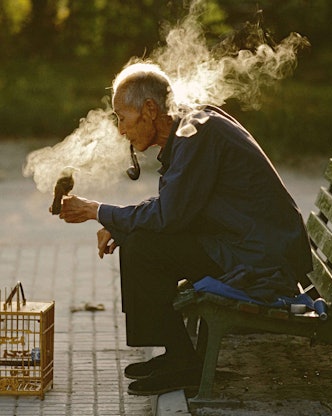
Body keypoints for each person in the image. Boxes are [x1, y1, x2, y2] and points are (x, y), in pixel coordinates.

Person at [59, 61, 313, 396]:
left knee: (142, 246)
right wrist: (117, 222)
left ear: (150, 109)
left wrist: (99, 212)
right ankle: (176, 354)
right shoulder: (192, 128)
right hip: (253, 245)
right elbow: (178, 207)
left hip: (260, 260)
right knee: (137, 236)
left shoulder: (195, 135)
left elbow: (169, 216)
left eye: (122, 117)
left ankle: (183, 361)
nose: (121, 130)